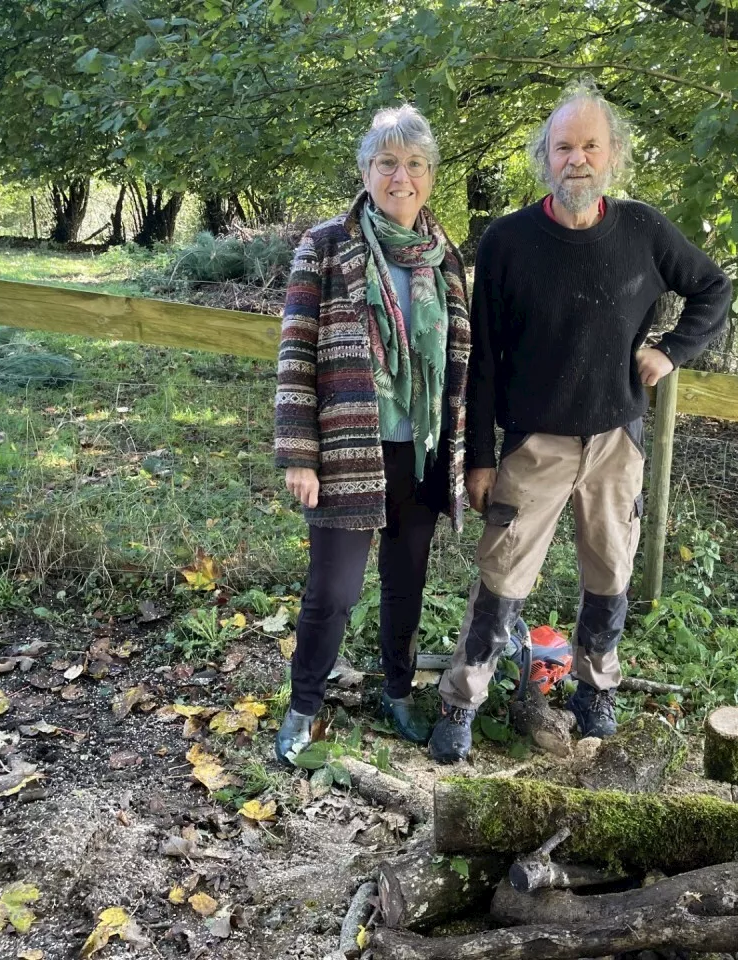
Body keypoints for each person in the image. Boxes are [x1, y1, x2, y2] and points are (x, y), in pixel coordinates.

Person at [428, 82, 732, 764]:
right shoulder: (507, 242)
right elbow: (482, 364)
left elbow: (714, 288)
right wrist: (479, 457)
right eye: (564, 146)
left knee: (611, 574)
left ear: (613, 155)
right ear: (545, 158)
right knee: (501, 578)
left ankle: (596, 691)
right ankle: (461, 701)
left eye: (591, 145)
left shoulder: (645, 232)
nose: (578, 159)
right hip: (534, 442)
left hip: (617, 440)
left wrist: (670, 351)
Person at [273, 105, 471, 765]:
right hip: (348, 449)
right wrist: (299, 453)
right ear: (365, 170)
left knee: (405, 581)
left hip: (422, 451)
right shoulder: (327, 244)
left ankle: (397, 689)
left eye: (415, 164)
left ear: (430, 177)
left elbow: (459, 363)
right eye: (387, 162)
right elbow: (296, 354)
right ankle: (303, 705)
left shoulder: (446, 257)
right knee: (333, 590)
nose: (401, 176)